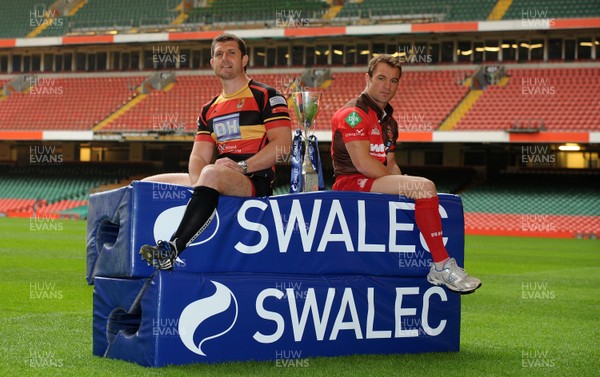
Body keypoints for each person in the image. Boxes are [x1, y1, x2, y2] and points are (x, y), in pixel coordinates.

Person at [139, 33, 292, 270]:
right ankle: (131, 256)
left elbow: (284, 147)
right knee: (148, 183)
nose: (225, 58)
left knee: (210, 172)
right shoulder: (209, 109)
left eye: (231, 52)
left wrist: (242, 167)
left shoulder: (266, 95)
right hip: (219, 176)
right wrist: (199, 179)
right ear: (212, 63)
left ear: (244, 60)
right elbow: (198, 156)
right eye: (219, 54)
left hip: (254, 180)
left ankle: (172, 249)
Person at [330, 54, 481, 294]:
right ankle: (441, 266)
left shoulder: (389, 123)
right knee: (424, 187)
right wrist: (408, 186)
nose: (387, 86)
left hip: (373, 182)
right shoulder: (352, 114)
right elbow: (363, 164)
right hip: (350, 183)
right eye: (381, 78)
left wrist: (402, 182)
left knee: (419, 189)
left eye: (393, 81)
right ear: (367, 78)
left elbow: (391, 165)